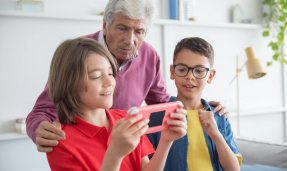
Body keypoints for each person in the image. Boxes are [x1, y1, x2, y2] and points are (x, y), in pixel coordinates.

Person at [26, 0, 228, 153]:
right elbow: (43, 111)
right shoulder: (77, 53)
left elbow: (161, 102)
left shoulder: (150, 55)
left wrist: (195, 105)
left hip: (128, 149)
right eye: (122, 28)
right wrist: (38, 129)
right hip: (83, 149)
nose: (130, 40)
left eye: (139, 31)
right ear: (105, 25)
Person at [46, 37, 187, 171]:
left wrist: (166, 141)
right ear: (70, 84)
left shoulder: (127, 119)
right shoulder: (59, 141)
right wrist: (115, 154)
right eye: (96, 76)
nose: (109, 83)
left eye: (110, 73)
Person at [147, 37, 242, 171]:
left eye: (199, 71)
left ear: (210, 76)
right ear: (172, 72)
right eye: (182, 69)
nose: (190, 76)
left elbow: (234, 169)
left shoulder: (218, 115)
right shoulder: (157, 115)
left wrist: (216, 135)